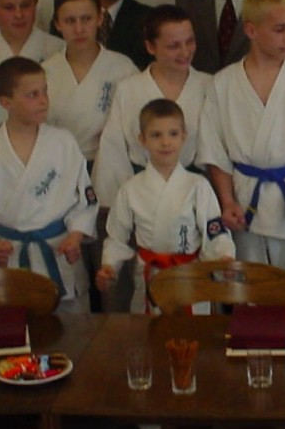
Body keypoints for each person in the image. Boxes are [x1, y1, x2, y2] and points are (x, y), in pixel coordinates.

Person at [198, 0, 285, 307]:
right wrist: (227, 201)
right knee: (248, 299)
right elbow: (214, 150)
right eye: (279, 29)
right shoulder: (223, 83)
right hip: (245, 202)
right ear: (251, 30)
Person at [0, 57, 98, 313]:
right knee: (13, 323)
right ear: (5, 102)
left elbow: (84, 200)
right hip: (10, 254)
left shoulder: (63, 142)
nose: (43, 100)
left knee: (73, 329)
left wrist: (75, 235)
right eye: (32, 94)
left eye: (45, 91)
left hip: (57, 249)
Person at [43, 0, 138, 311]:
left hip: (110, 175)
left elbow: (134, 130)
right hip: (61, 180)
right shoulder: (46, 71)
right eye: (70, 21)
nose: (79, 28)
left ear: (100, 18)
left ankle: (119, 333)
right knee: (71, 270)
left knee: (110, 270)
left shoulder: (122, 68)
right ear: (57, 24)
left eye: (86, 18)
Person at [97, 99, 235, 313]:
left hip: (190, 275)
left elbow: (214, 231)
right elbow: (117, 237)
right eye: (156, 135)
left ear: (184, 137)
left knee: (193, 329)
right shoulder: (130, 189)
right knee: (150, 330)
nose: (165, 142)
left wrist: (223, 256)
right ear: (142, 140)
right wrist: (109, 266)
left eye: (173, 134)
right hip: (150, 275)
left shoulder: (197, 185)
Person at [93, 5, 211, 209]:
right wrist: (121, 205)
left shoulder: (209, 86)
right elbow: (113, 152)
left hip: (194, 192)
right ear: (150, 46)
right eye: (174, 46)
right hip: (140, 193)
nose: (185, 52)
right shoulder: (129, 89)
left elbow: (216, 151)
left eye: (190, 41)